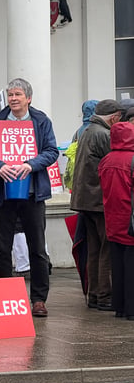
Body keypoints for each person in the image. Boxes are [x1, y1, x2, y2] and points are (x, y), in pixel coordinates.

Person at [0, 78, 59, 317]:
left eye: (18, 94)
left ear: (28, 97)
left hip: (32, 193)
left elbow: (51, 151)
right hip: (3, 194)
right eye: (10, 95)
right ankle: (4, 297)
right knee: (2, 247)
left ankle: (38, 299)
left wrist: (31, 164)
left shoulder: (41, 121)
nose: (13, 99)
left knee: (37, 247)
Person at [70, 99, 124, 311]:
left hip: (85, 200)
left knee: (93, 249)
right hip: (98, 201)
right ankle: (104, 296)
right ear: (114, 117)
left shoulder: (86, 131)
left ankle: (93, 295)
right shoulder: (103, 134)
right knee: (106, 249)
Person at [98, 121, 134, 320]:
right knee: (131, 267)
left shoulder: (106, 160)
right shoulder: (132, 159)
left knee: (117, 266)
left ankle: (119, 306)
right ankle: (131, 309)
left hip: (112, 219)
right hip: (130, 220)